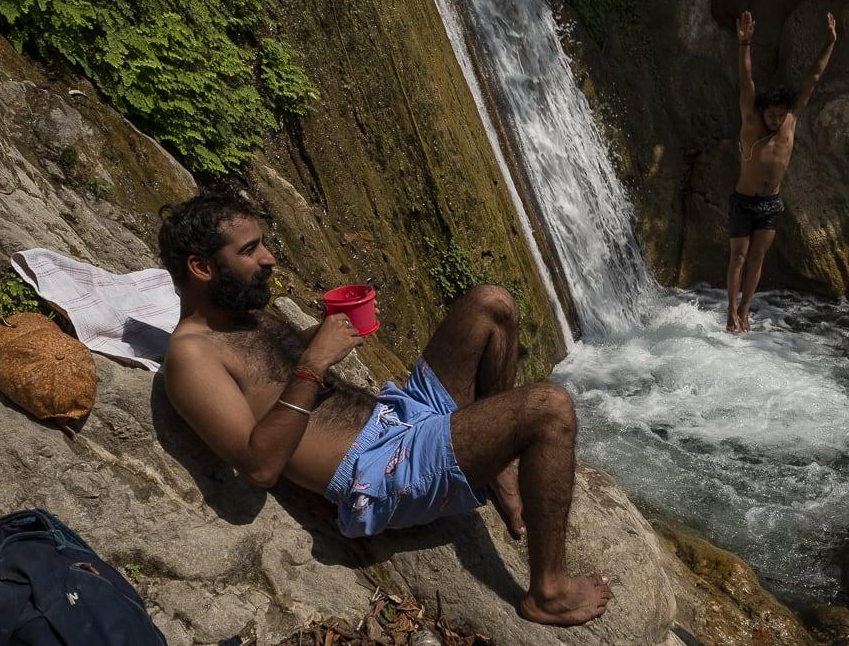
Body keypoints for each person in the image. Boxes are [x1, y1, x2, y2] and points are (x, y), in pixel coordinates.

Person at [157, 186, 612, 626]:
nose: (269, 258)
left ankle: (496, 467)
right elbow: (259, 466)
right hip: (380, 470)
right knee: (549, 407)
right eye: (250, 250)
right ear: (201, 267)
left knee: (492, 304)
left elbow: (270, 374)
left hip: (399, 415)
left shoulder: (240, 309)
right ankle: (547, 591)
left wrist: (320, 335)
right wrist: (315, 362)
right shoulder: (191, 356)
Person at [726, 10, 837, 332]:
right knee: (738, 258)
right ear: (762, 111)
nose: (775, 121)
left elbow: (813, 79)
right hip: (743, 201)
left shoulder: (791, 119)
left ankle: (746, 310)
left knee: (758, 258)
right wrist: (744, 44)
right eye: (771, 115)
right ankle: (730, 311)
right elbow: (746, 82)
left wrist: (829, 42)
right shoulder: (750, 120)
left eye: (780, 115)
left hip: (771, 203)